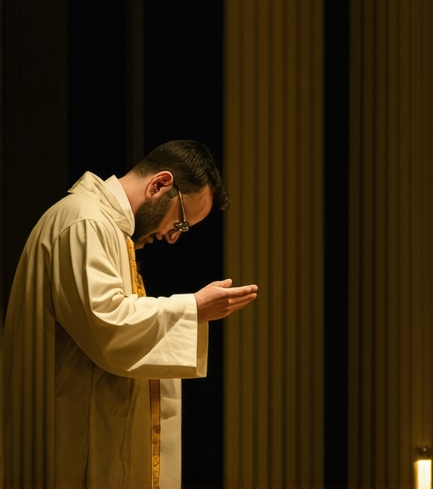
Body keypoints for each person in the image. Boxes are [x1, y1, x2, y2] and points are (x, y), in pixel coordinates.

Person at [0, 139, 258, 488]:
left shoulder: (106, 227)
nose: (172, 238)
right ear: (160, 184)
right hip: (64, 438)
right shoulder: (85, 222)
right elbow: (106, 322)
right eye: (180, 223)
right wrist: (193, 307)